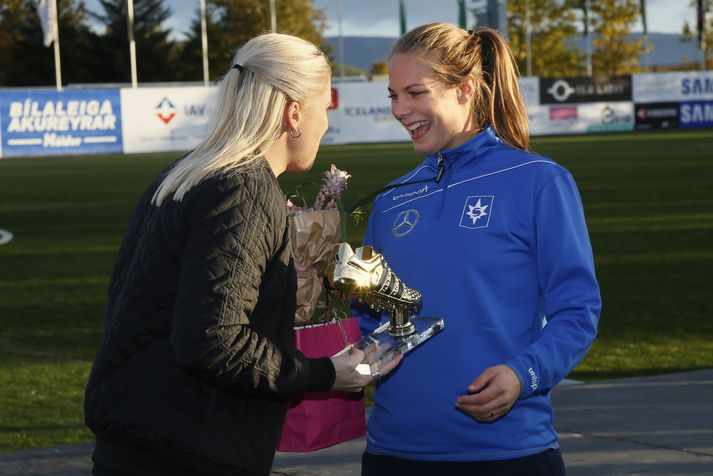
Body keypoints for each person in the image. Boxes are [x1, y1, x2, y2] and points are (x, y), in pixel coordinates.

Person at [84, 32, 390, 476]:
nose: (327, 124)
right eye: (325, 108)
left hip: (146, 438)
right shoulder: (241, 189)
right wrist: (324, 373)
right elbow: (214, 341)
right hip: (187, 450)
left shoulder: (186, 174)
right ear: (294, 113)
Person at [354, 23, 601, 476]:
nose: (400, 109)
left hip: (507, 454)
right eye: (393, 95)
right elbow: (369, 316)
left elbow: (578, 310)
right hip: (394, 452)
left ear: (465, 89)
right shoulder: (391, 200)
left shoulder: (540, 182)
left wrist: (521, 373)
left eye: (415, 92)